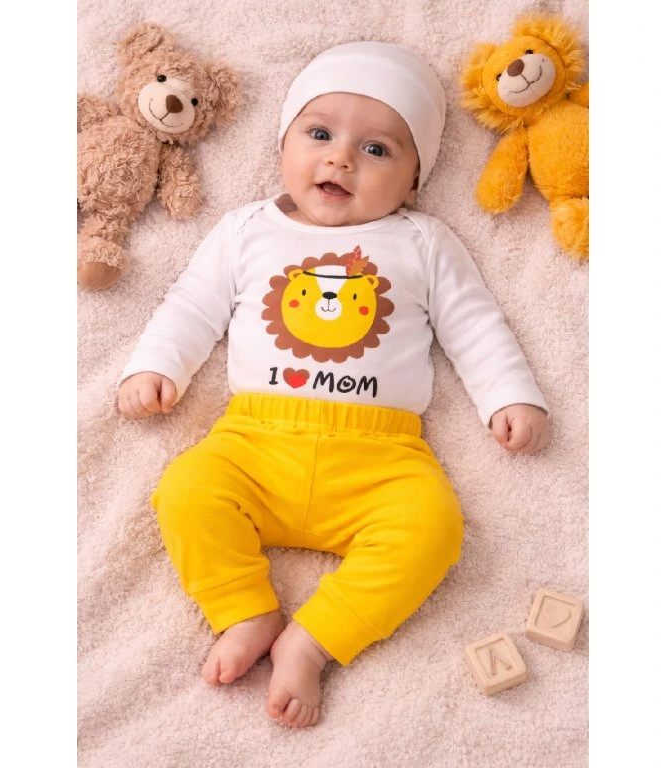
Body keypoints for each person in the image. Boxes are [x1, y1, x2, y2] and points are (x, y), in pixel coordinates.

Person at [116, 40, 549, 728]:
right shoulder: (246, 230)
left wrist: (511, 395)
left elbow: (474, 323)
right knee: (186, 490)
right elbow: (192, 305)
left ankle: (313, 640)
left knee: (434, 530)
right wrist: (156, 366)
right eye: (319, 134)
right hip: (253, 443)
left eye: (377, 149)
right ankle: (244, 610)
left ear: (414, 180)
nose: (341, 158)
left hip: (381, 459)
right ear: (283, 145)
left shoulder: (422, 241)